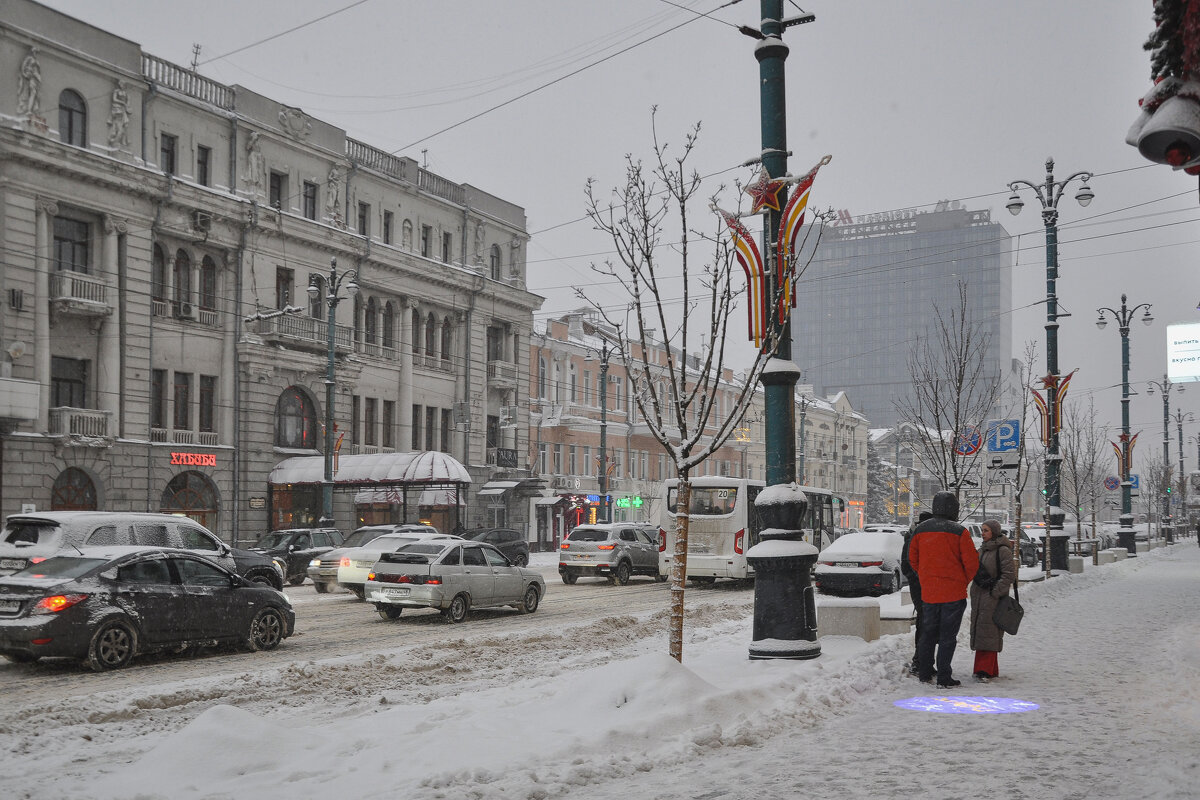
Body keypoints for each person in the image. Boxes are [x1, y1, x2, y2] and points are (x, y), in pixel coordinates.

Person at [909, 490, 978, 688]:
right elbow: (972, 563)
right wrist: (961, 580)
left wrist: (926, 576)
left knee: (928, 634)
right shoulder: (959, 532)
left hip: (929, 592)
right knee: (948, 636)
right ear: (954, 509)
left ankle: (924, 672)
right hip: (953, 594)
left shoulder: (920, 530)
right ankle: (944, 676)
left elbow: (913, 559)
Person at [968, 518, 1016, 683]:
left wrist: (995, 592)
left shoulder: (1002, 550)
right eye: (982, 530)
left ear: (994, 531)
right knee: (981, 631)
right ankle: (988, 668)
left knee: (989, 632)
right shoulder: (983, 550)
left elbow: (1009, 575)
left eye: (986, 530)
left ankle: (984, 669)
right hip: (980, 597)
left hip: (992, 598)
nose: (983, 533)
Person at [900, 511, 934, 675]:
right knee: (925, 624)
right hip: (921, 587)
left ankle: (923, 661)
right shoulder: (915, 537)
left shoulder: (914, 535)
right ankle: (919, 662)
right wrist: (921, 578)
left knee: (926, 623)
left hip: (922, 586)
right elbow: (907, 566)